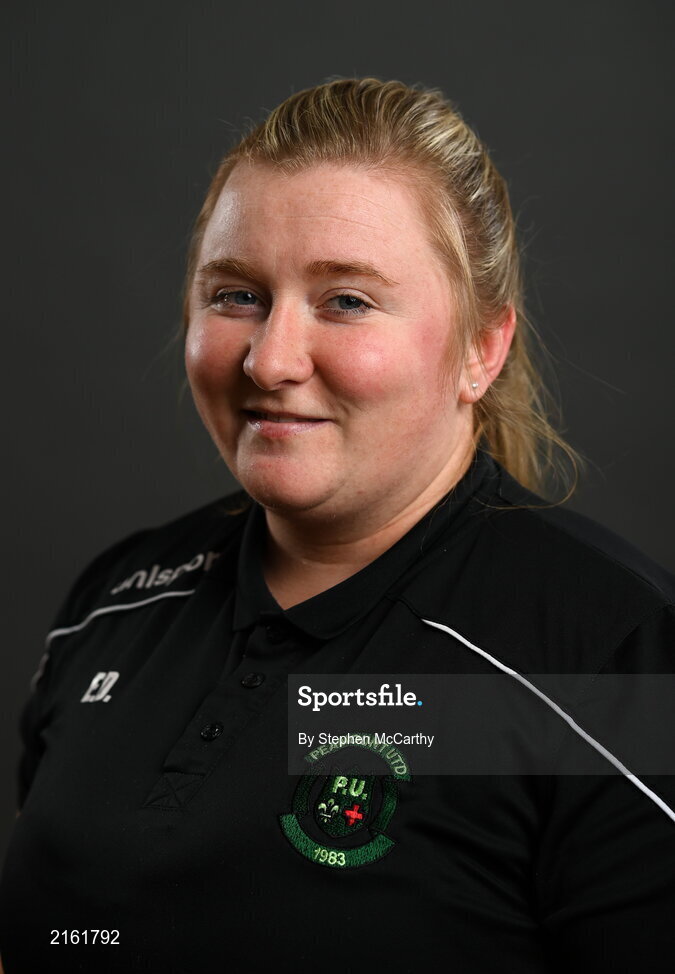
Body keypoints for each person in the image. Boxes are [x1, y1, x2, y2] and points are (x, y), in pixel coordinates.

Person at [0, 76, 673, 973]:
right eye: (235, 294)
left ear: (481, 348)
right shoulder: (112, 604)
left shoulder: (611, 659)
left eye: (346, 301)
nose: (269, 360)